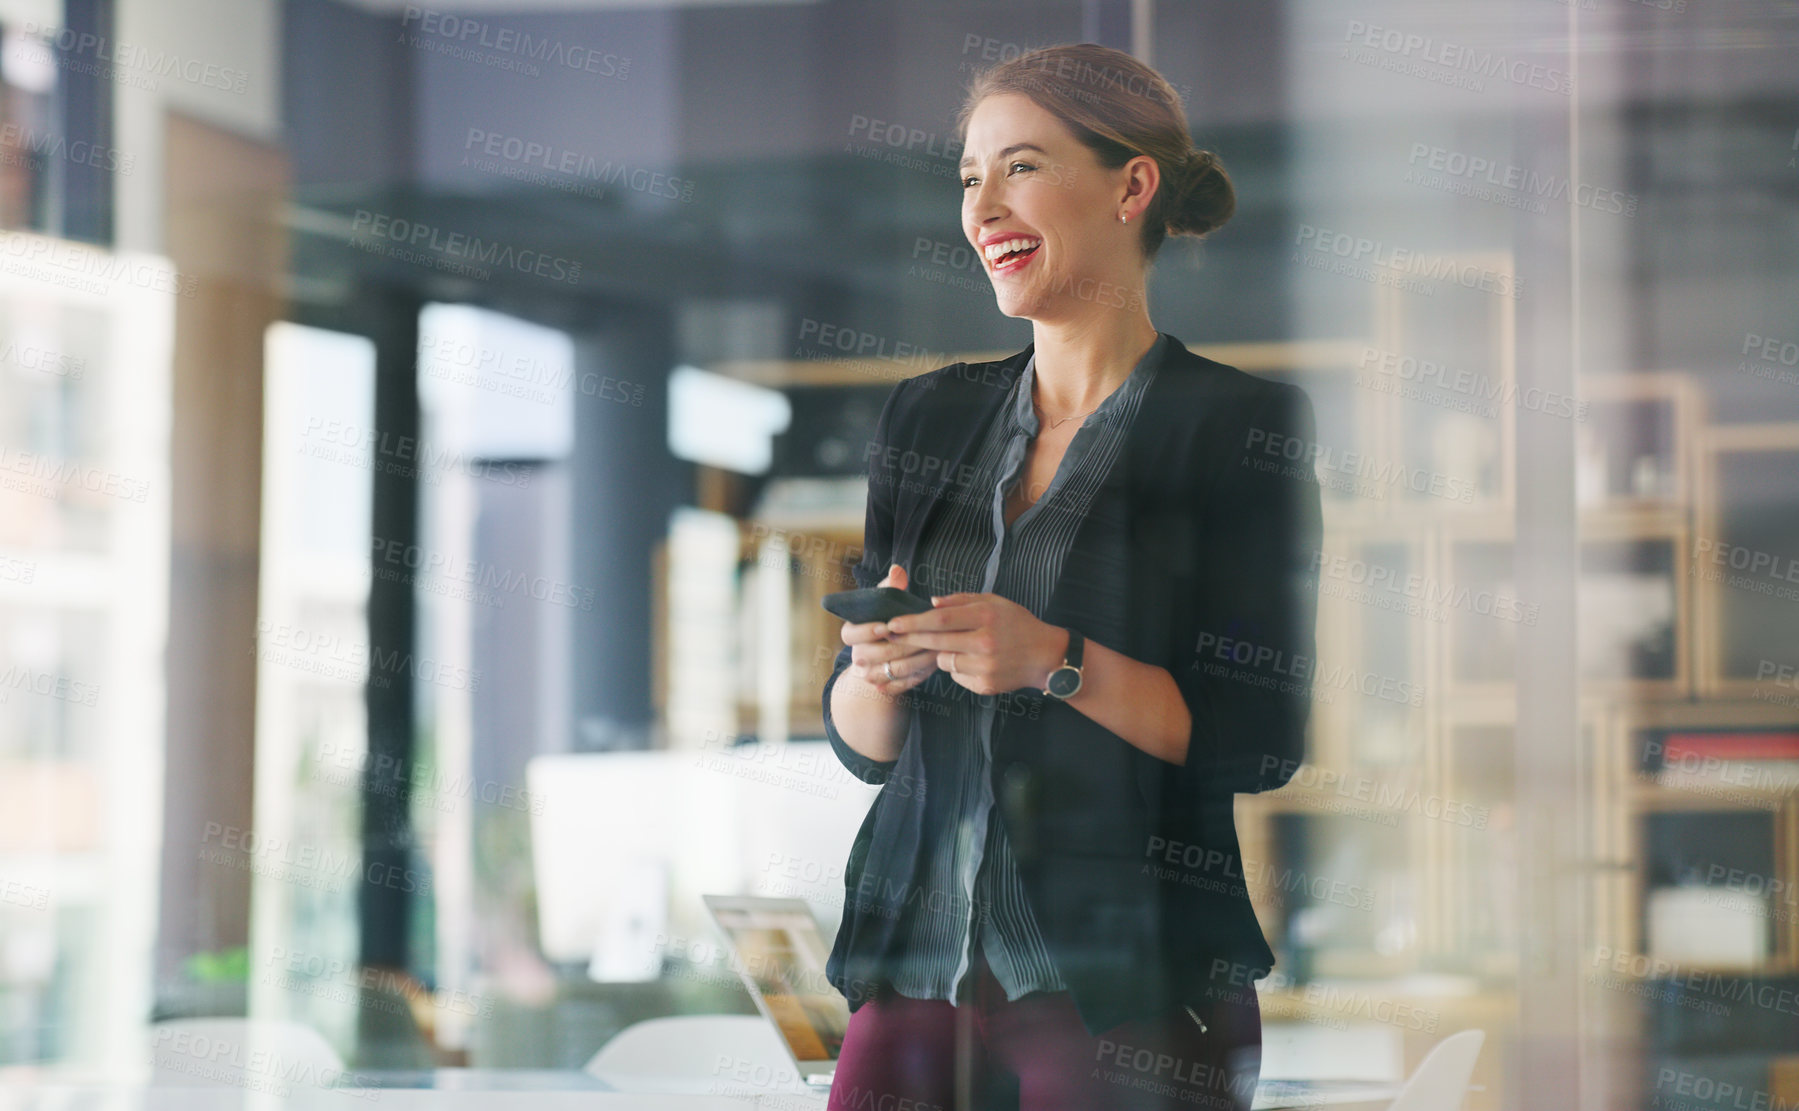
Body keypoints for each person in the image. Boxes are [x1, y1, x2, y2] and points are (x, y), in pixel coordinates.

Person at [820, 42, 1322, 1111]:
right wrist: (873, 673)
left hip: (1125, 979)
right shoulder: (927, 414)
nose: (984, 206)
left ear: (1130, 186)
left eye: (1021, 166)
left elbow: (1259, 736)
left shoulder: (1236, 425)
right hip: (911, 970)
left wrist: (1052, 659)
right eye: (969, 176)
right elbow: (865, 752)